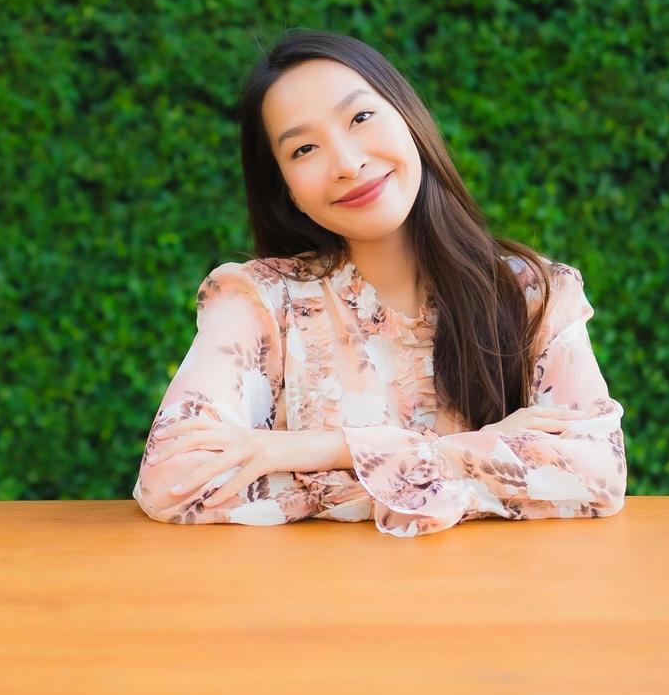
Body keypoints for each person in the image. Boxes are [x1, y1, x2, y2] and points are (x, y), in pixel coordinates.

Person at [132, 30, 627, 537]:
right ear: (289, 192)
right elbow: (172, 479)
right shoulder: (259, 300)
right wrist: (475, 458)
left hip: (493, 605)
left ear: (410, 120)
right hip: (317, 608)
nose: (348, 163)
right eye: (304, 148)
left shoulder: (534, 293)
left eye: (361, 118)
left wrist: (320, 450)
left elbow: (595, 474)